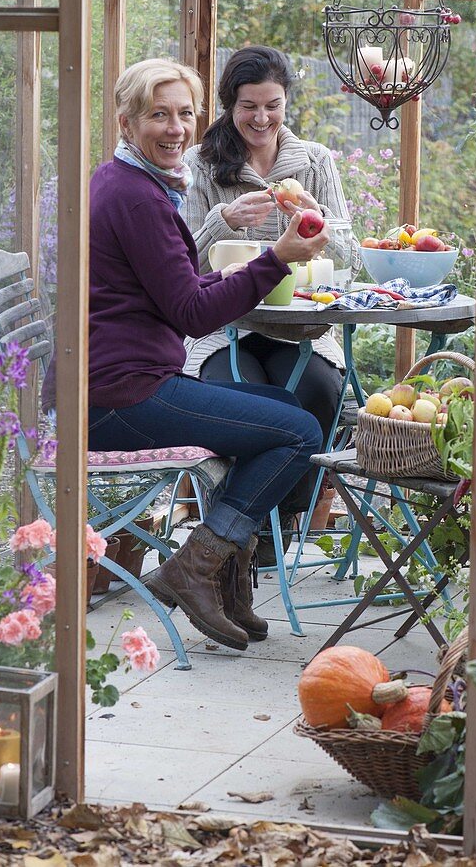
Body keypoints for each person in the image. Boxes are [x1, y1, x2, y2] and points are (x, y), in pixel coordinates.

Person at [71, 57, 331, 652]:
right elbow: (190, 313)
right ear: (127, 122)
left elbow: (179, 290)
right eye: (158, 115)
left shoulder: (128, 184)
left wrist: (261, 263)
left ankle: (227, 572)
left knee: (279, 406)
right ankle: (198, 564)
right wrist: (277, 259)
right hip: (119, 398)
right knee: (296, 432)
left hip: (122, 383)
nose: (175, 129)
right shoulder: (137, 199)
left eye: (185, 114)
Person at [183, 46, 354, 564]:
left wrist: (315, 216)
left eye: (272, 105)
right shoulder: (200, 165)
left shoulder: (315, 161)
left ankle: (267, 532)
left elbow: (349, 255)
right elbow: (179, 262)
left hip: (299, 329)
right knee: (242, 400)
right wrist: (222, 222)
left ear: (286, 104)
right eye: (248, 106)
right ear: (228, 106)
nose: (260, 118)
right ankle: (237, 538)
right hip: (222, 325)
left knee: (316, 391)